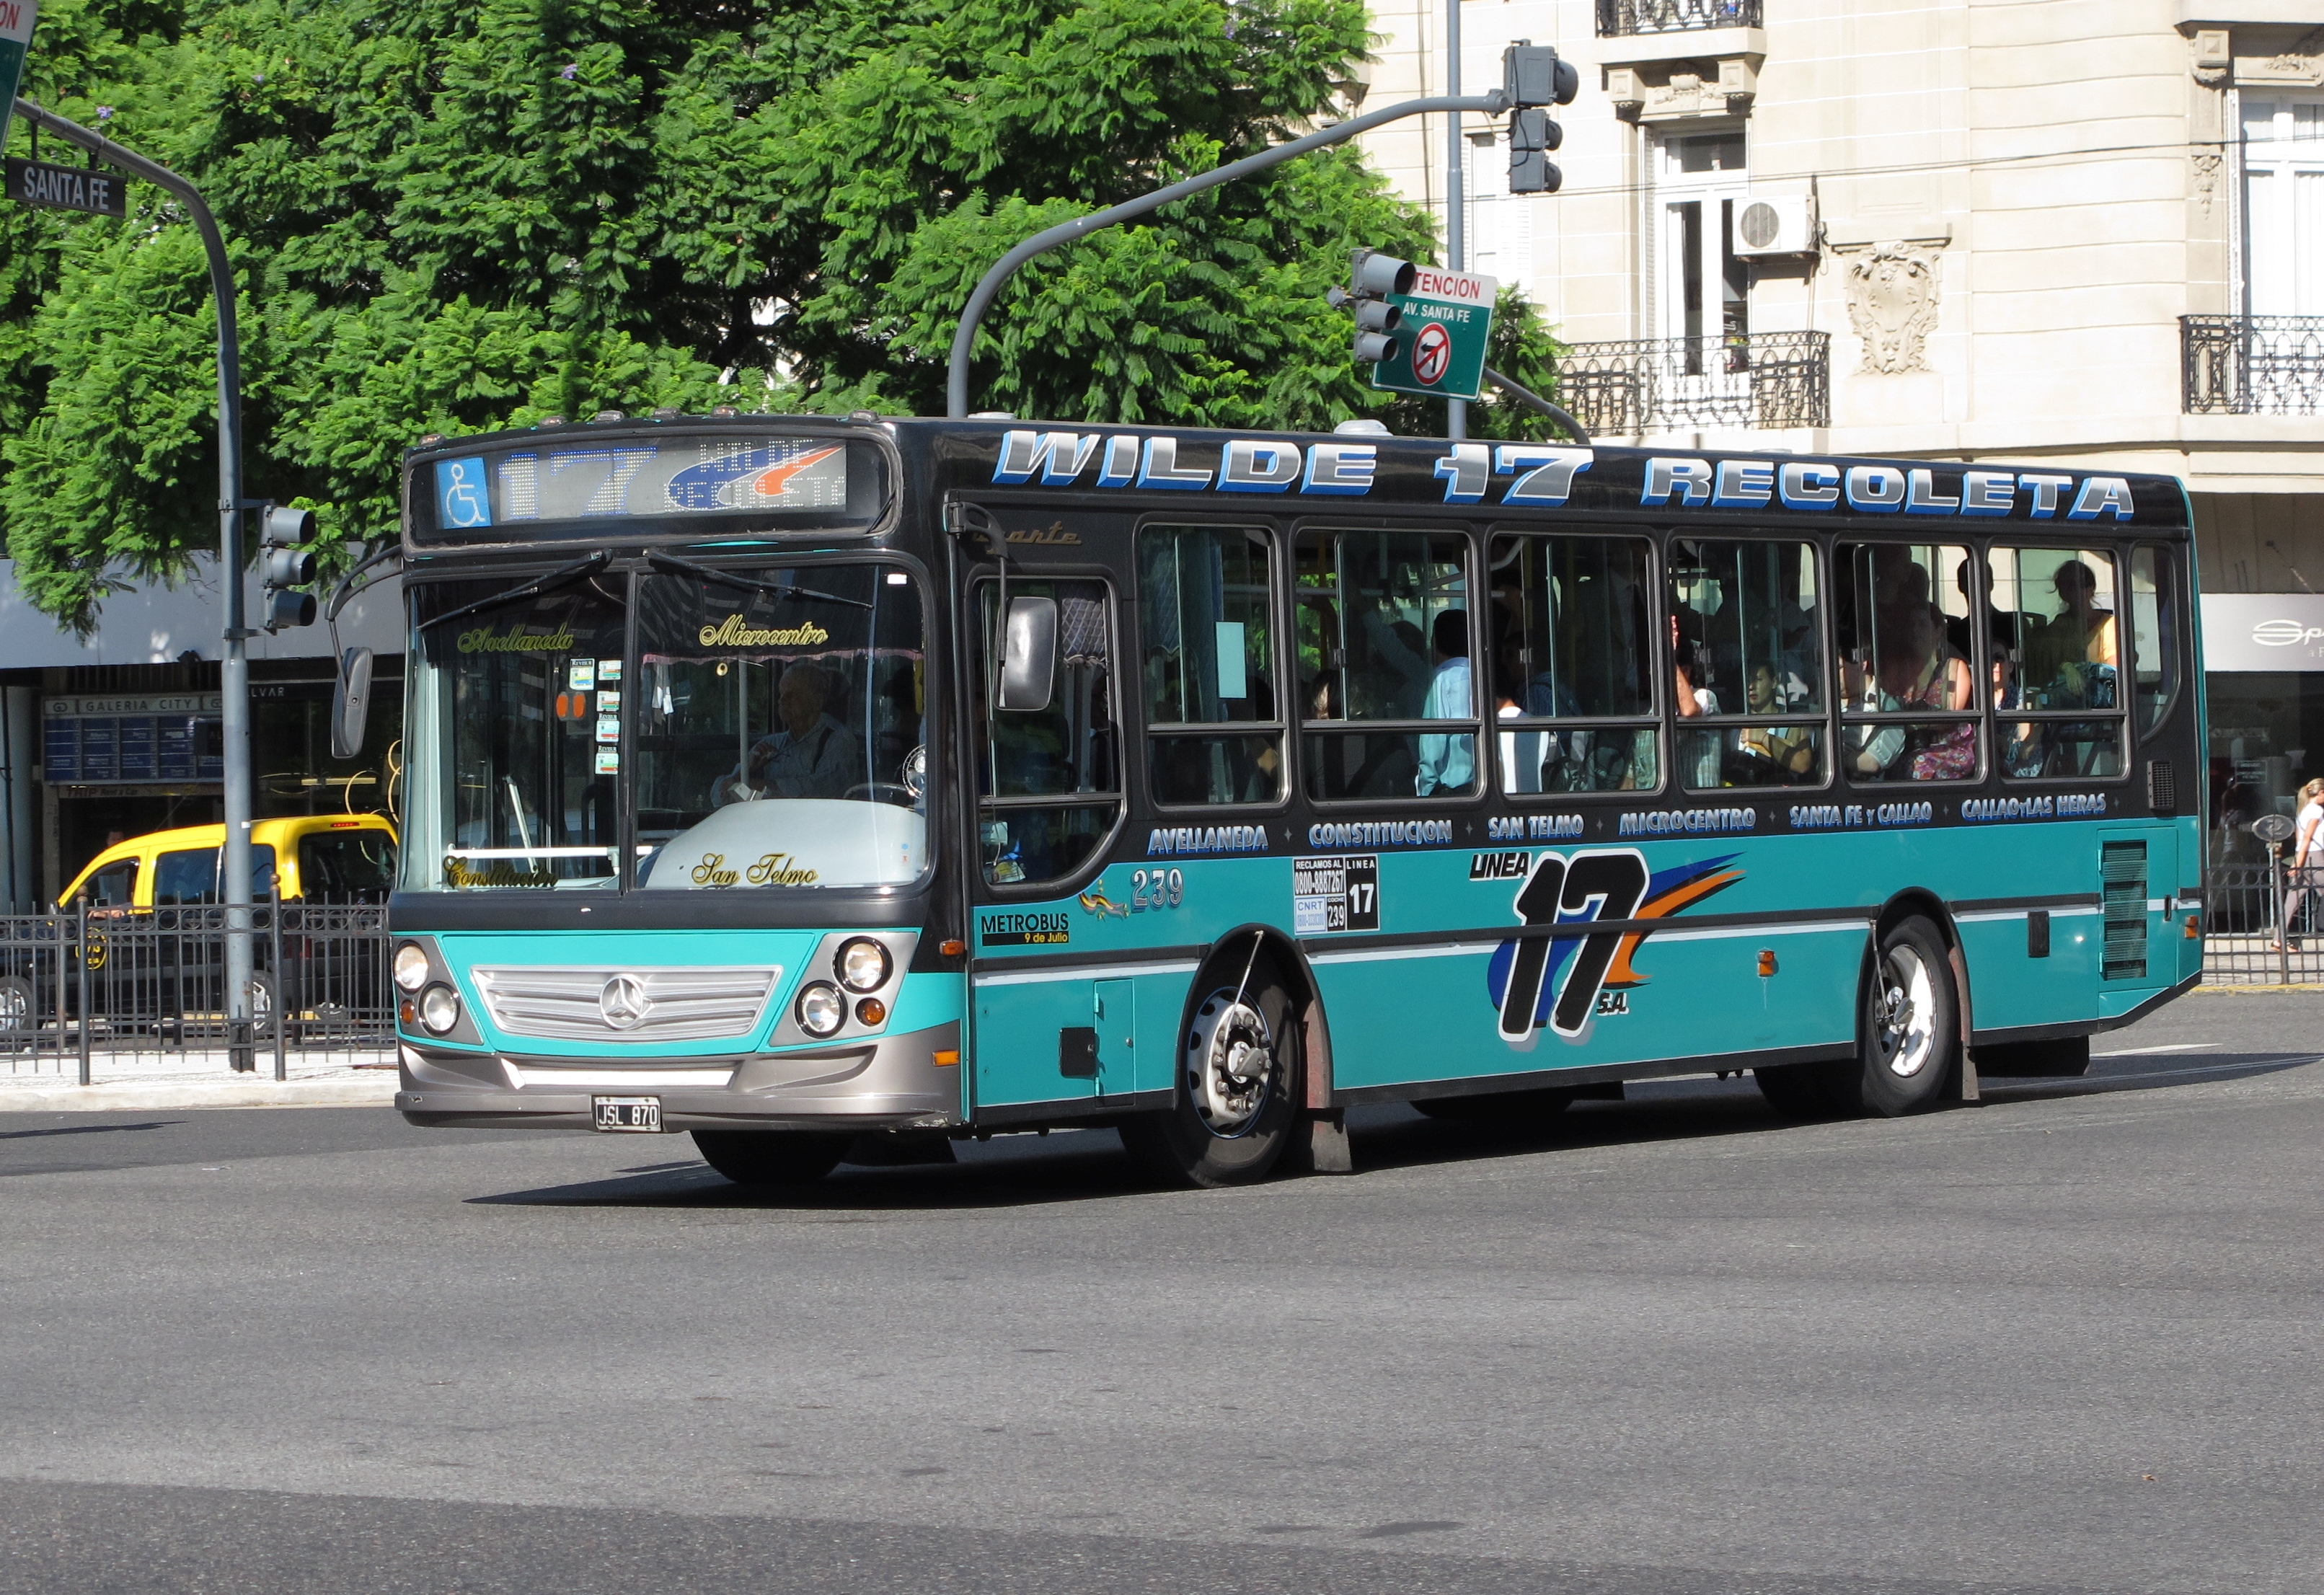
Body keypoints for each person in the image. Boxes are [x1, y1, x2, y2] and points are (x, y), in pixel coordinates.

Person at [713, 661, 862, 804]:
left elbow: (822, 789)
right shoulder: (771, 744)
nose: (782, 700)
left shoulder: (838, 740)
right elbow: (718, 797)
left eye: (792, 695)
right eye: (781, 693)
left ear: (817, 701)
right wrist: (744, 773)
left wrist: (757, 786)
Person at [1415, 610, 1475, 796]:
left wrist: (1425, 795)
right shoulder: (1483, 676)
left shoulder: (1442, 680)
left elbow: (1433, 749)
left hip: (1452, 793)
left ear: (1435, 643)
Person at [2273, 777, 2324, 953]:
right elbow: (2308, 838)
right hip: (2314, 856)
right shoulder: (2317, 810)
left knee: (2292, 900)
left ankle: (2278, 939)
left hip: (2303, 855)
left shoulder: (2303, 811)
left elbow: (2299, 838)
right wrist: (2298, 863)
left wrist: (2297, 860)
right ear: (2321, 793)